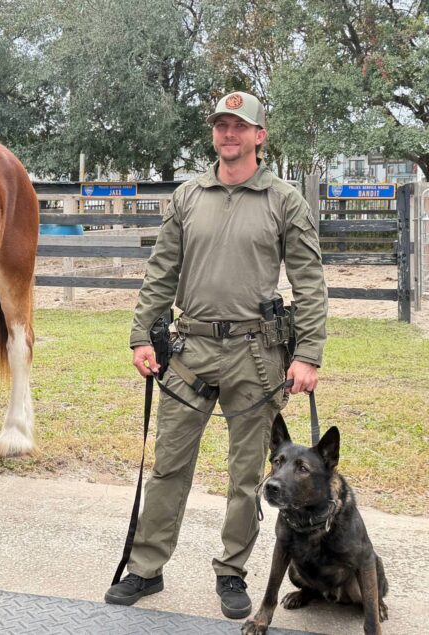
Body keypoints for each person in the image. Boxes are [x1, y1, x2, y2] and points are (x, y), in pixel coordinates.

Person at [104, 91, 327, 619]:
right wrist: (141, 335)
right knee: (168, 464)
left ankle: (232, 571)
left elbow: (310, 282)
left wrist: (309, 354)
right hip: (190, 349)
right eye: (221, 125)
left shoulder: (283, 200)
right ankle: (146, 567)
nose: (228, 133)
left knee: (248, 475)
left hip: (257, 353)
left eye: (239, 125)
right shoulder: (187, 196)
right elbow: (161, 271)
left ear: (259, 136)